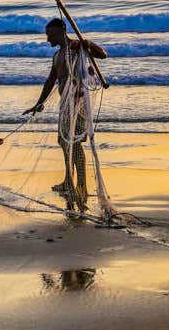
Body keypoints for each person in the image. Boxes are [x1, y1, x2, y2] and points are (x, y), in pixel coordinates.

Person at [22, 18, 107, 210]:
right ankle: (68, 180)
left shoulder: (76, 48)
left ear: (61, 31)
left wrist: (88, 43)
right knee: (63, 141)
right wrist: (39, 103)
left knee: (74, 143)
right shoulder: (57, 55)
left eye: (50, 34)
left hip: (78, 103)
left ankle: (81, 185)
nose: (47, 39)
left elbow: (102, 55)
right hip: (65, 105)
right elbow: (51, 81)